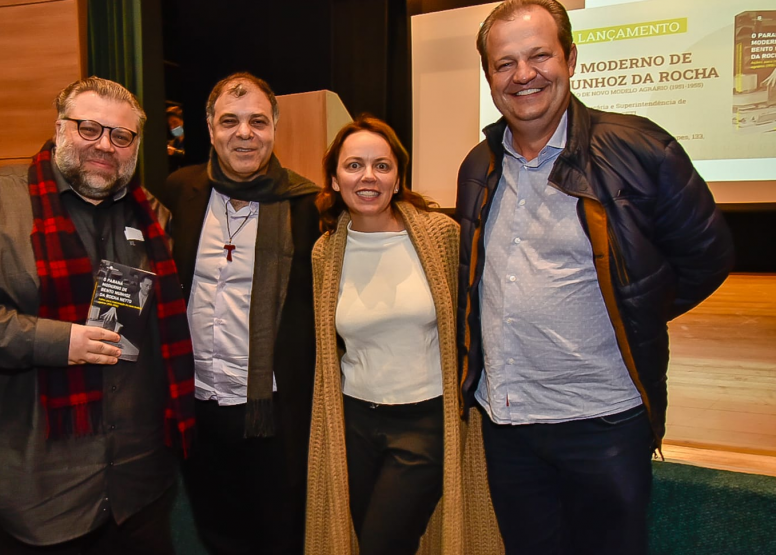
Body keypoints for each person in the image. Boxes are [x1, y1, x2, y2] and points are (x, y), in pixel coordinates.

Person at [455, 1, 735, 554]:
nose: (524, 74)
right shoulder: (478, 165)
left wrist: (630, 306)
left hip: (603, 421)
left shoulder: (641, 149)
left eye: (540, 55)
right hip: (506, 420)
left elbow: (708, 258)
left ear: (572, 58)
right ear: (489, 77)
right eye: (505, 63)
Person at [0, 76, 195, 555]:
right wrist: (50, 340)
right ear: (59, 128)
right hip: (23, 488)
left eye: (121, 136)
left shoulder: (155, 218)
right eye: (88, 128)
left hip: (138, 488)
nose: (104, 146)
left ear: (136, 145)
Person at [305, 116, 501, 555]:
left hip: (424, 421)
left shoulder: (441, 237)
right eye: (354, 165)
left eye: (382, 165)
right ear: (335, 180)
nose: (368, 176)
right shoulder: (326, 252)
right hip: (354, 422)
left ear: (398, 178)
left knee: (383, 544)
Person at [161, 72, 321, 555]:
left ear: (275, 127)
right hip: (198, 404)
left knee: (278, 535)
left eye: (257, 121)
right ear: (210, 129)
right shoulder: (179, 190)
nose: (244, 133)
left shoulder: (306, 205)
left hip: (271, 413)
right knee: (215, 529)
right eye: (229, 121)